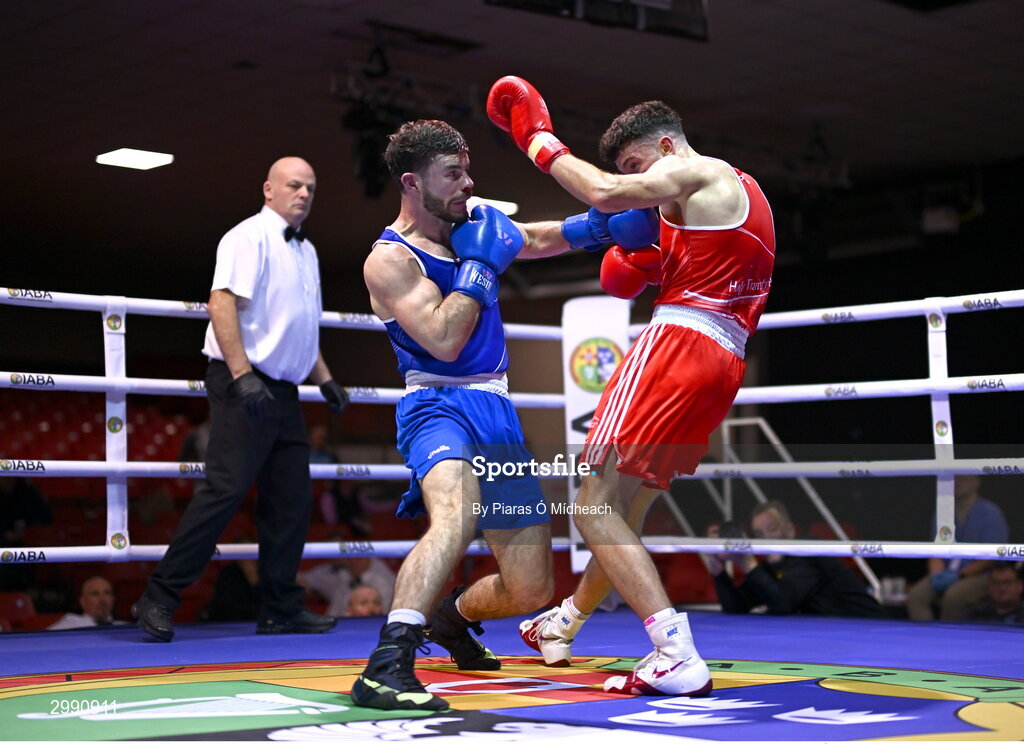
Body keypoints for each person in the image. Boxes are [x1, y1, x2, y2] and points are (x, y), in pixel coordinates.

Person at [351, 119, 656, 712]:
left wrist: (598, 226)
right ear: (412, 183)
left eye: (467, 169)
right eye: (453, 174)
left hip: (495, 409)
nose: (468, 183)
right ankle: (386, 664)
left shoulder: (473, 223)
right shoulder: (388, 261)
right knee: (454, 515)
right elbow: (442, 338)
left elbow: (535, 238)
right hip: (437, 404)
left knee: (531, 587)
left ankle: (450, 616)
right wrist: (479, 267)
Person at [489, 76, 777, 697]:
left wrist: (539, 140)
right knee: (625, 509)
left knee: (592, 502)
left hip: (679, 343)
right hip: (723, 360)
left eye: (638, 166)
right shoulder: (737, 199)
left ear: (669, 147)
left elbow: (603, 190)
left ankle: (674, 650)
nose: (635, 186)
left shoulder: (703, 175)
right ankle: (564, 622)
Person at [132, 157, 350, 642]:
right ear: (268, 189)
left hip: (285, 390)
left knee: (290, 500)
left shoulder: (307, 251)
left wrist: (326, 378)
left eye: (311, 187)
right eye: (294, 185)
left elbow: (296, 326)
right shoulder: (246, 236)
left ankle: (280, 608)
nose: (304, 194)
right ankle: (158, 596)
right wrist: (241, 374)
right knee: (224, 491)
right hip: (243, 381)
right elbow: (221, 303)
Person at [706, 503, 884, 617]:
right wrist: (718, 570)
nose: (766, 538)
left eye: (772, 529)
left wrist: (748, 563)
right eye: (759, 534)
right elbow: (735, 607)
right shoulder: (771, 567)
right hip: (836, 636)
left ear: (790, 530)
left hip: (872, 630)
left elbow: (783, 604)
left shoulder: (809, 552)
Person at [905, 475, 1009, 621]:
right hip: (947, 571)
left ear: (976, 482)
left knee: (954, 596)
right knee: (916, 595)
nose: (957, 483)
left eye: (963, 479)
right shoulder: (942, 513)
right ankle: (927, 638)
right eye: (953, 479)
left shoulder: (991, 514)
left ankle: (949, 639)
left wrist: (960, 576)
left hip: (981, 575)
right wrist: (937, 576)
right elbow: (935, 551)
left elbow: (991, 557)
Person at [299, 554, 396, 616]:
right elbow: (332, 614)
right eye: (351, 559)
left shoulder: (382, 583)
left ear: (369, 560)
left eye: (359, 559)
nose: (354, 562)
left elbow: (383, 612)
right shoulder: (343, 580)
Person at [49, 576, 125, 629]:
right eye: (95, 594)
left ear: (113, 598)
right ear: (82, 602)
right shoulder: (70, 624)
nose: (102, 600)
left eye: (107, 593)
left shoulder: (124, 627)